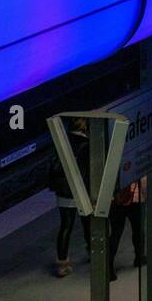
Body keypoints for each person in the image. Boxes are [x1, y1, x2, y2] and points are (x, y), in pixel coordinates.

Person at [50, 118, 91, 277]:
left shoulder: (62, 141)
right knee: (87, 222)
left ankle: (62, 263)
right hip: (80, 190)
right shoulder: (86, 144)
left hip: (63, 190)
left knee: (66, 225)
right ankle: (92, 251)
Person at [107, 178, 146, 280]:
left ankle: (108, 266)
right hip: (135, 198)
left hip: (116, 199)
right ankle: (139, 257)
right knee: (138, 230)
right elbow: (144, 181)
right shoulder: (135, 162)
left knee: (116, 233)